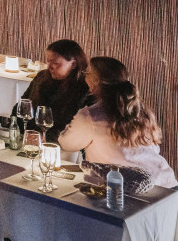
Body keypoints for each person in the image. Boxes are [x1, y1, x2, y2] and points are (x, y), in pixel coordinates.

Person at [59, 56, 176, 187]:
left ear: (96, 81)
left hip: (131, 190)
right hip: (166, 184)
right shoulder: (140, 110)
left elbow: (67, 143)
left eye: (88, 73)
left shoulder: (91, 116)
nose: (85, 76)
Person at [19, 38, 90, 143]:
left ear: (73, 64)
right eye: (48, 61)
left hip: (63, 144)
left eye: (55, 63)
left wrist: (46, 137)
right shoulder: (42, 77)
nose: (50, 67)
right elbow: (24, 104)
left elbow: (77, 126)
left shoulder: (84, 88)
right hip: (29, 137)